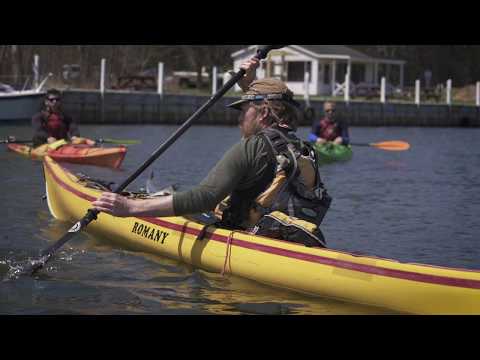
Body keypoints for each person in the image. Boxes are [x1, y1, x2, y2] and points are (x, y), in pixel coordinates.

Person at [92, 58, 331, 248]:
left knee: (181, 200)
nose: (239, 118)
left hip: (243, 240)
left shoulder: (252, 146)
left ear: (263, 114)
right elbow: (269, 105)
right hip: (284, 240)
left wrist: (129, 208)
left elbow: (206, 197)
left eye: (244, 110)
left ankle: (136, 200)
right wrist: (249, 83)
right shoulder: (302, 149)